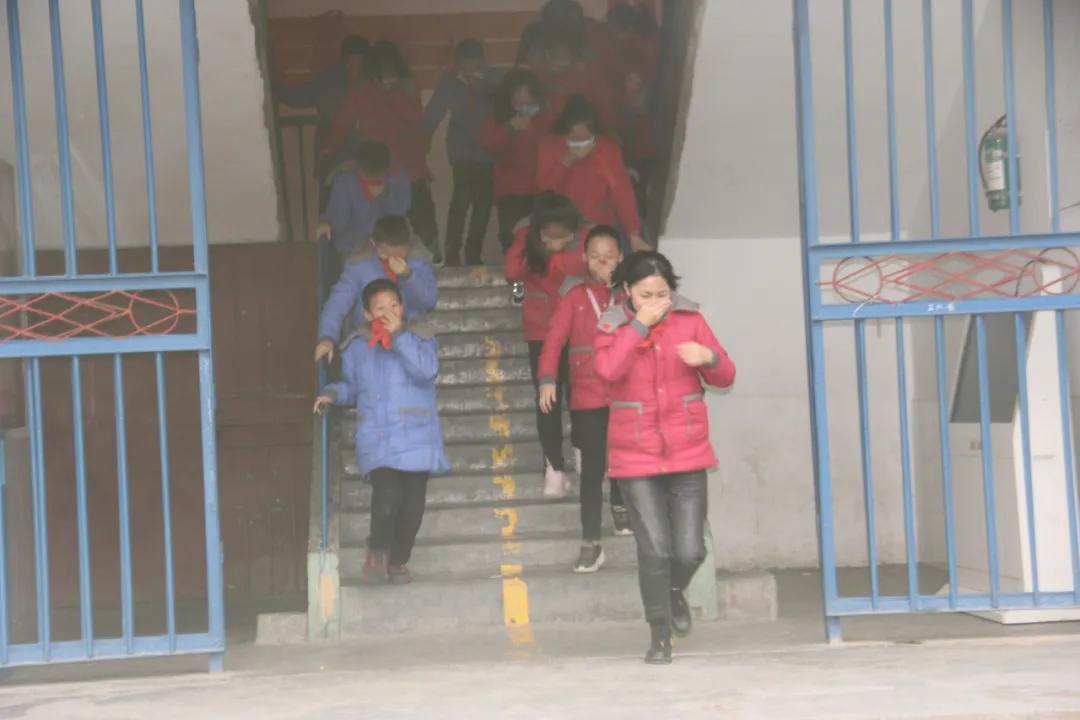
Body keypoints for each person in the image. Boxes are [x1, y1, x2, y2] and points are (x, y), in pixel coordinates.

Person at [593, 251, 735, 665]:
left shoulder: (691, 320)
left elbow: (727, 374)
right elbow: (607, 370)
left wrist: (709, 358)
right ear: (627, 292)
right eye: (645, 295)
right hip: (635, 456)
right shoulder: (612, 324)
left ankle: (673, 592)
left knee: (690, 550)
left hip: (687, 451)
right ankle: (659, 634)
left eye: (662, 294)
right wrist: (639, 325)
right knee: (655, 550)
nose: (655, 302)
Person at [314, 279, 449, 585]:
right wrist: (333, 394)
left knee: (413, 508)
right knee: (387, 499)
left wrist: (399, 336)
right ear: (366, 314)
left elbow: (426, 370)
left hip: (417, 437)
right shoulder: (357, 346)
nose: (388, 312)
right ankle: (377, 549)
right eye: (379, 308)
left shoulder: (421, 337)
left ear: (402, 308)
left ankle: (398, 560)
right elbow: (352, 388)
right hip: (379, 438)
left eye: (393, 306)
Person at [537, 226, 633, 574]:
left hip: (626, 391)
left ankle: (620, 503)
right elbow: (553, 340)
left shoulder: (630, 295)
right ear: (584, 259)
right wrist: (548, 379)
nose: (602, 262)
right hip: (587, 394)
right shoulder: (573, 296)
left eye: (609, 256)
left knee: (624, 456)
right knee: (592, 471)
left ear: (621, 258)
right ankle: (591, 541)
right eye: (595, 256)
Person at [504, 192, 587, 499]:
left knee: (582, 396)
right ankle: (553, 469)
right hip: (541, 329)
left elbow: (594, 263)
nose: (557, 240)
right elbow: (512, 272)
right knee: (547, 401)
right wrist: (537, 251)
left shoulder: (585, 237)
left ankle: (584, 455)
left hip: (579, 330)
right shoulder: (525, 237)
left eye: (563, 235)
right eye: (549, 235)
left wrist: (557, 259)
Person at [329, 41, 441, 264]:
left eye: (391, 74)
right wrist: (331, 151)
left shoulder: (407, 87)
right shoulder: (362, 90)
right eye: (382, 74)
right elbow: (342, 123)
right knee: (380, 222)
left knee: (422, 221)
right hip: (376, 167)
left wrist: (395, 94)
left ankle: (431, 262)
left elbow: (415, 119)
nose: (387, 79)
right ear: (373, 72)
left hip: (409, 167)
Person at [316, 215, 437, 364]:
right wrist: (327, 337)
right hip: (369, 342)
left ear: (408, 246)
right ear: (375, 245)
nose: (393, 261)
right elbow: (338, 303)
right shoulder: (359, 266)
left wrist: (408, 275)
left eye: (400, 256)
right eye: (387, 255)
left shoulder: (419, 263)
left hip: (411, 339)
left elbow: (429, 302)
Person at [423, 39, 501, 266]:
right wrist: (422, 143)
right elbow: (433, 114)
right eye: (466, 66)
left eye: (475, 65)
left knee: (483, 204)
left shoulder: (496, 79)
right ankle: (452, 254)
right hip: (462, 151)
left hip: (489, 151)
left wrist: (482, 87)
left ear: (483, 61)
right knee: (461, 201)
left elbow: (507, 108)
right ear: (458, 63)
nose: (470, 70)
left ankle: (473, 254)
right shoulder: (449, 82)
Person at [537, 95, 648, 252]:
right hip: (563, 227)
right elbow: (544, 189)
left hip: (601, 225)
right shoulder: (550, 146)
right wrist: (566, 162)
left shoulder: (607, 149)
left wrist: (633, 233)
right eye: (574, 140)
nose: (580, 146)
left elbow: (622, 193)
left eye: (585, 140)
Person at [277, 35, 370, 191]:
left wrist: (274, 89)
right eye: (355, 60)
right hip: (346, 156)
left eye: (360, 60)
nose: (357, 65)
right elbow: (300, 96)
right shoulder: (334, 81)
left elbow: (300, 97)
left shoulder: (330, 80)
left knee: (334, 201)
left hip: (337, 155)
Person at [478, 68, 556, 255]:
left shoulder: (547, 118)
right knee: (510, 238)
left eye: (527, 99)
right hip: (511, 190)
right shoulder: (499, 117)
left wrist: (530, 130)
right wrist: (509, 128)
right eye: (517, 98)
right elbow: (487, 144)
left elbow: (554, 148)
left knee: (542, 240)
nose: (523, 104)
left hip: (542, 189)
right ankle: (516, 273)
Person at [316, 140, 411, 263]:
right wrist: (325, 222)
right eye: (367, 176)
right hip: (354, 244)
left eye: (378, 176)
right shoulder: (344, 182)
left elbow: (399, 216)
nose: (372, 181)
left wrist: (384, 195)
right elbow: (338, 220)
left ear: (386, 168)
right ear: (357, 166)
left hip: (391, 242)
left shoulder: (398, 179)